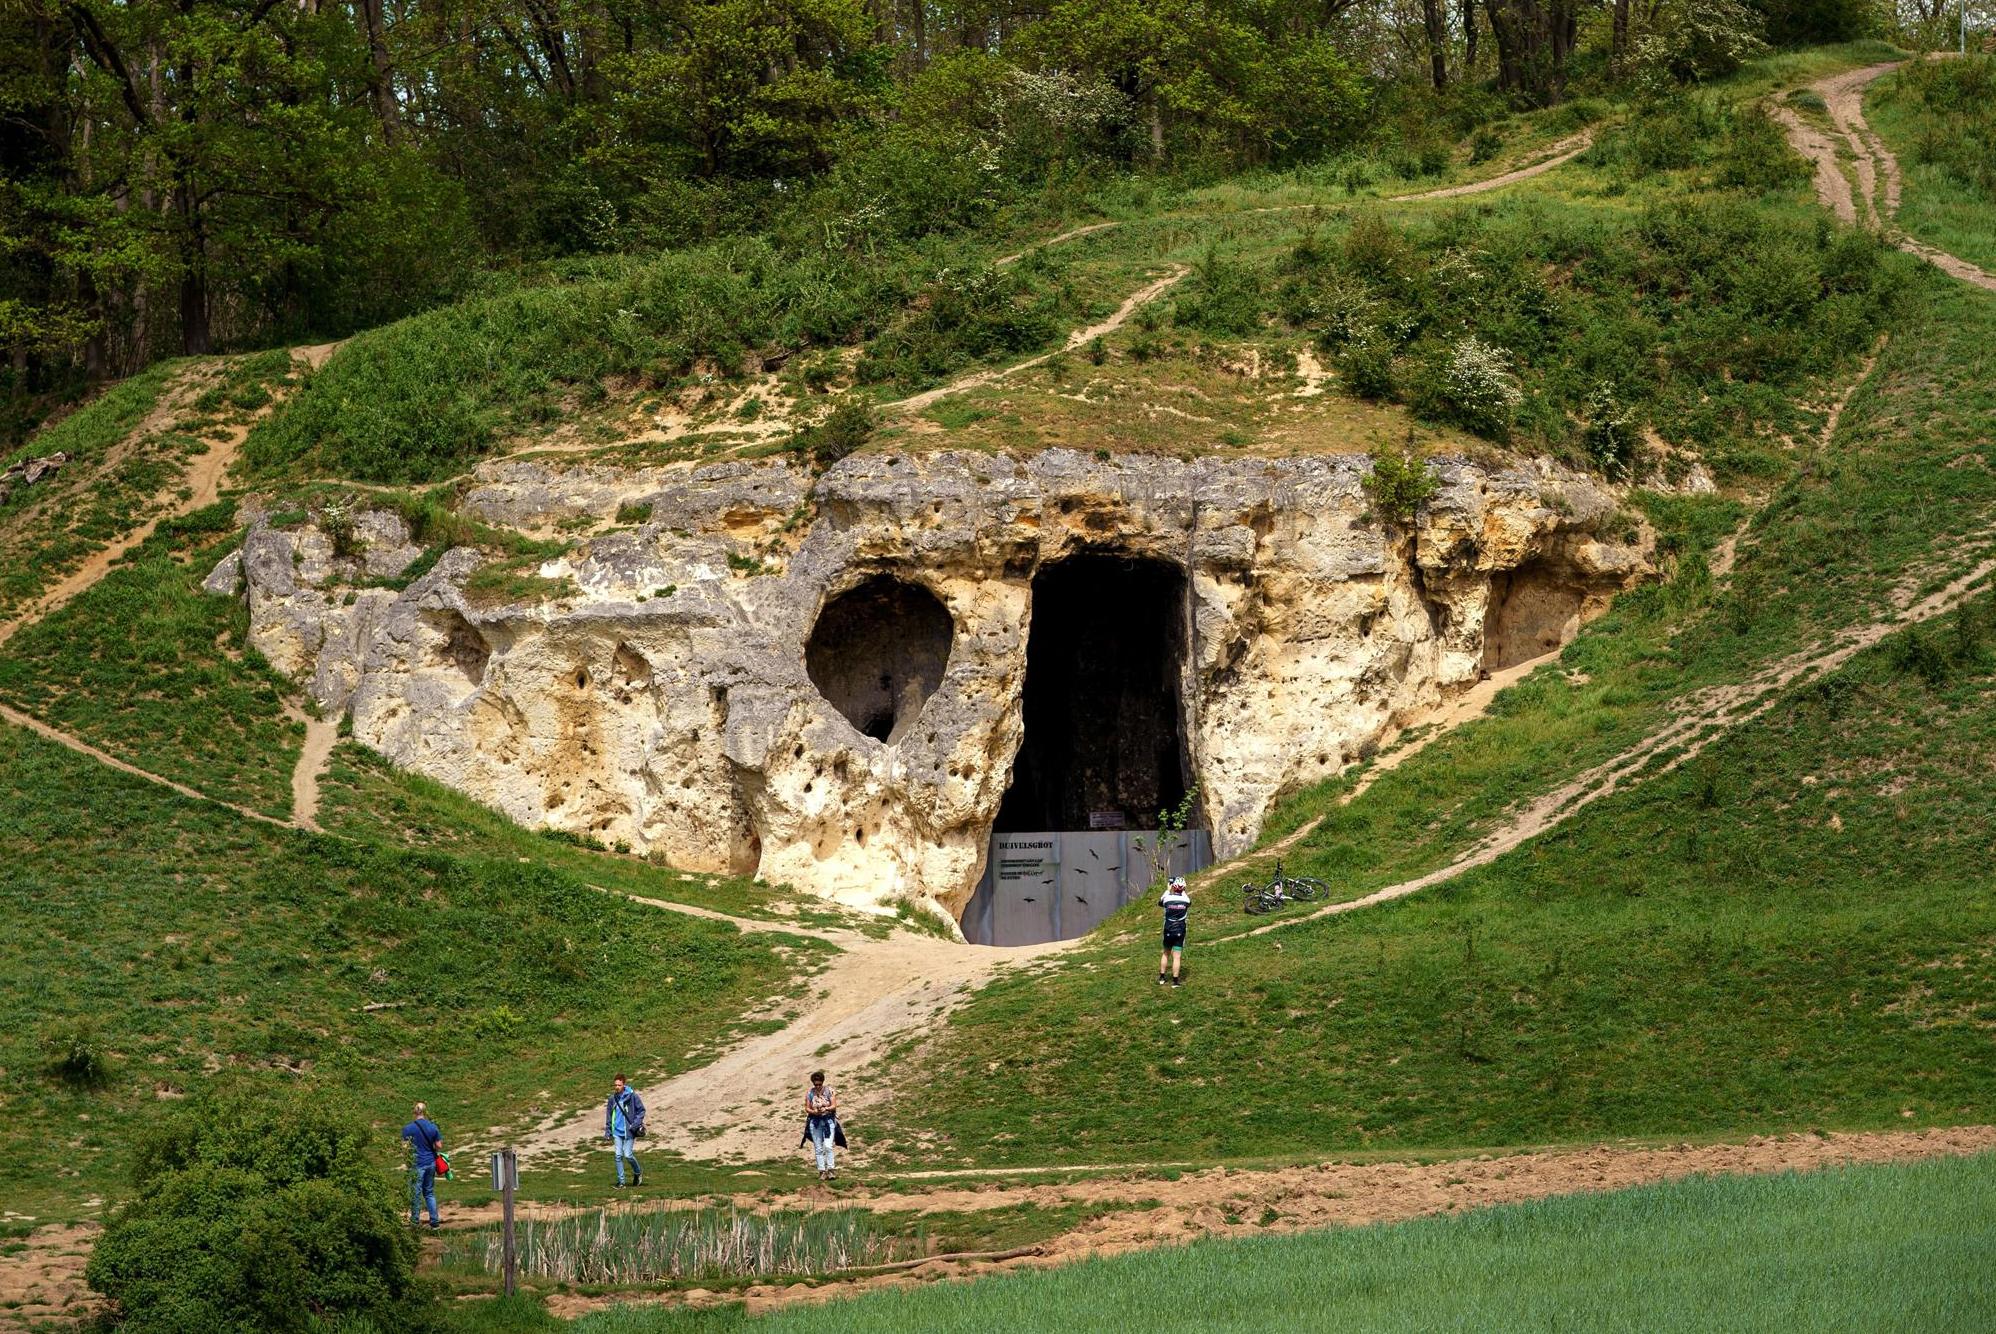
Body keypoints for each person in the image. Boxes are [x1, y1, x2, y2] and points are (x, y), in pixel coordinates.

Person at [401, 1101, 443, 1230]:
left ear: (414, 1112)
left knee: (416, 1193)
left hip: (416, 1163)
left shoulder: (408, 1129)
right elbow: (439, 1146)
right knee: (429, 1192)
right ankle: (434, 1221)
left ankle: (415, 1221)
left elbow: (405, 1148)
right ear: (425, 1112)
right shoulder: (432, 1127)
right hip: (430, 1162)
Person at [802, 1070, 846, 1181]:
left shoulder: (829, 1091)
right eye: (815, 1084)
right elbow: (807, 1108)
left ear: (822, 1082)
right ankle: (822, 1171)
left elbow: (834, 1105)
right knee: (818, 1147)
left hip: (828, 1120)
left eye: (819, 1084)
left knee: (828, 1145)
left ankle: (831, 1169)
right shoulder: (810, 1093)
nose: (817, 1086)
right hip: (815, 1121)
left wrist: (826, 1108)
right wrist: (814, 1111)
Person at [604, 1075, 646, 1188]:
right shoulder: (612, 1099)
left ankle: (638, 1172)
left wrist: (635, 1124)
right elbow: (608, 1115)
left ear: (624, 1084)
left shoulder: (632, 1096)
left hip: (629, 1131)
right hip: (617, 1132)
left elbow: (641, 1111)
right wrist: (608, 1131)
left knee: (628, 1155)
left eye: (619, 1085)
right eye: (615, 1085)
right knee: (618, 1155)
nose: (617, 1087)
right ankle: (621, 1182)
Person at [1158, 875, 1191, 988]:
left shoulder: (1167, 899)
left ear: (1173, 886)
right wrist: (1183, 890)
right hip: (1180, 931)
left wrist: (1168, 889)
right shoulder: (1186, 900)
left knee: (1166, 953)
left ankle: (1162, 978)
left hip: (1168, 929)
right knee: (1176, 957)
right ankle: (1175, 982)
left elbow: (1160, 902)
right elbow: (1187, 899)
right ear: (1183, 888)